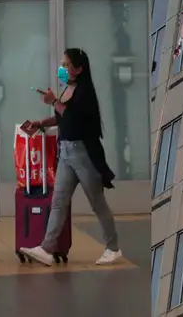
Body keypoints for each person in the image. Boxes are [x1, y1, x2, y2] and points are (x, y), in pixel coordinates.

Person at [19, 48, 123, 267]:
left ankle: (113, 248)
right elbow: (61, 118)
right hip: (66, 152)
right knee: (59, 201)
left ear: (79, 68)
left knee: (97, 202)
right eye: (63, 64)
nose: (63, 68)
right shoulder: (68, 88)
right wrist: (40, 123)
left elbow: (74, 118)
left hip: (83, 153)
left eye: (67, 65)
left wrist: (53, 101)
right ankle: (47, 248)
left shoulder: (85, 92)